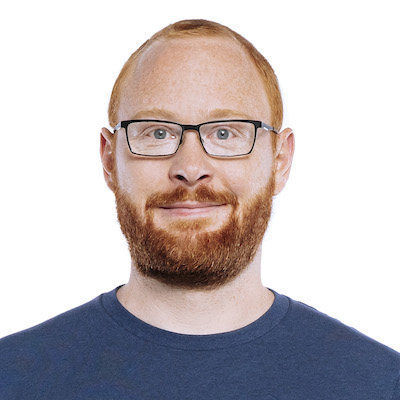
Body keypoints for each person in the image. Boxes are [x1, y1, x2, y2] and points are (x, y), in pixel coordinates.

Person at [1, 19, 399, 399]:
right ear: (109, 160)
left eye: (225, 133)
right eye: (157, 132)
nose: (190, 168)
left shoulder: (381, 384)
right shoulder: (12, 378)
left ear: (280, 161)